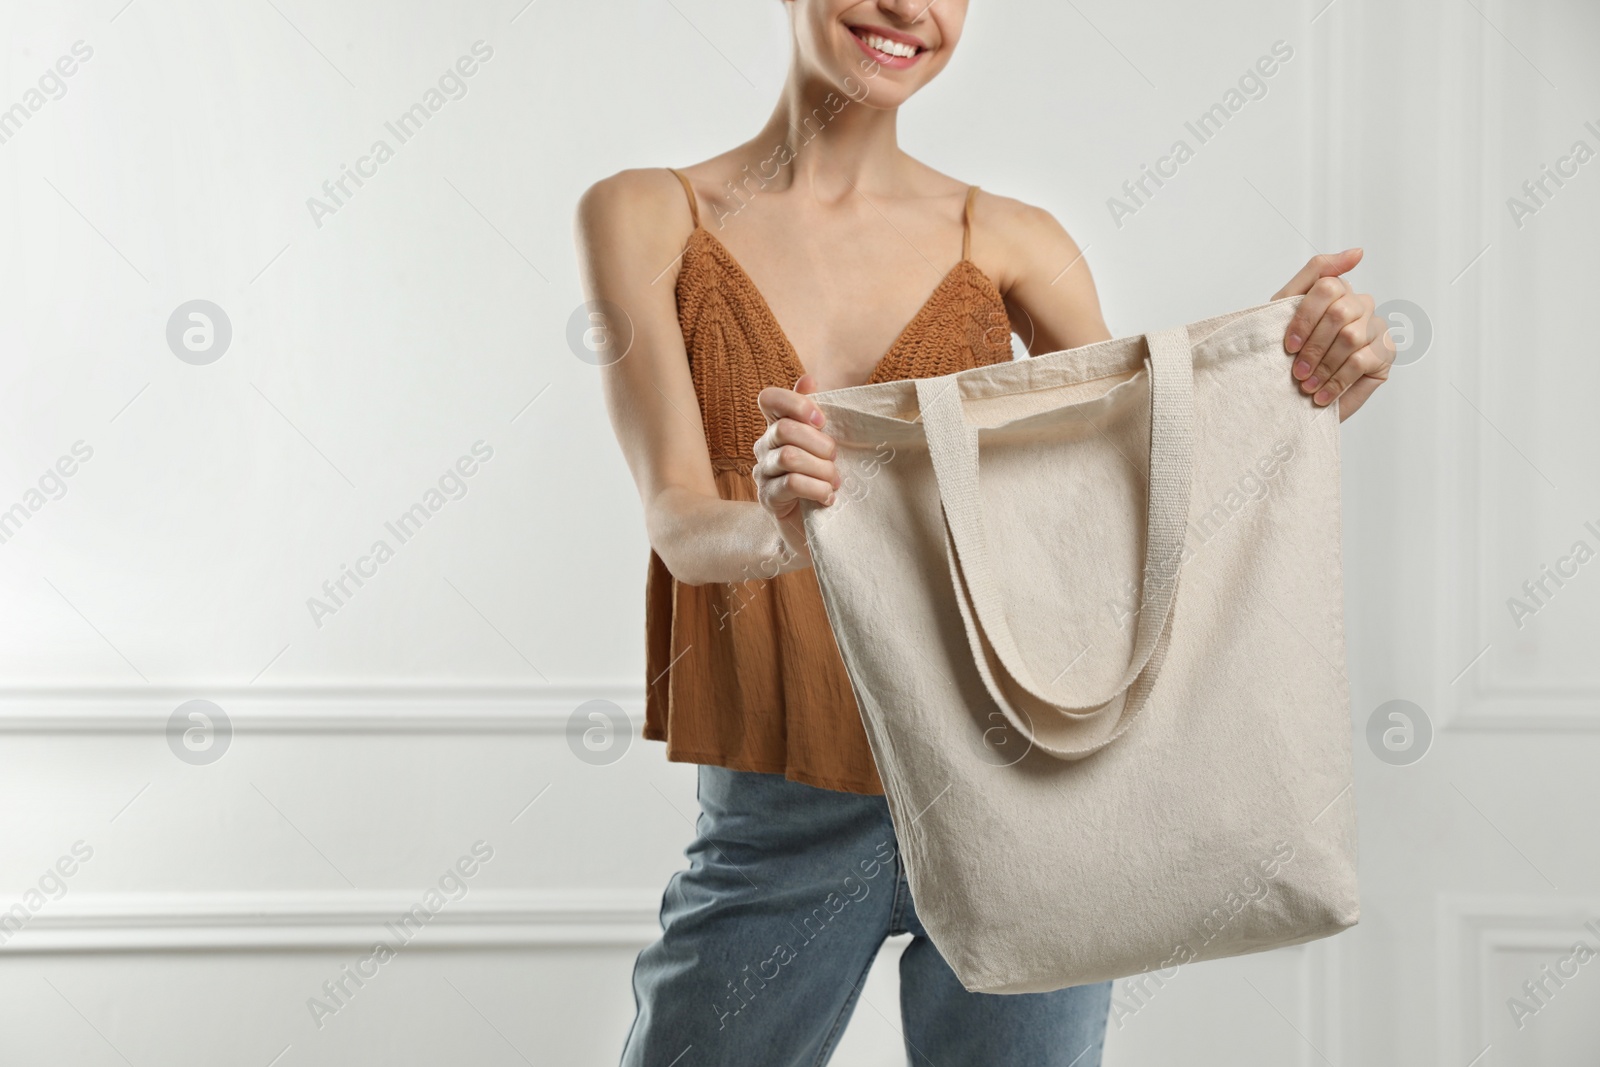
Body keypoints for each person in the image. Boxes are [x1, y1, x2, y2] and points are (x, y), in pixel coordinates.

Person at [574, 2, 1397, 1063]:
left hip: (1027, 785)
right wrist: (784, 533)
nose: (905, 8)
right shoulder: (649, 214)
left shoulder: (1012, 240)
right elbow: (679, 517)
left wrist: (1289, 378)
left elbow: (1130, 508)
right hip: (783, 810)